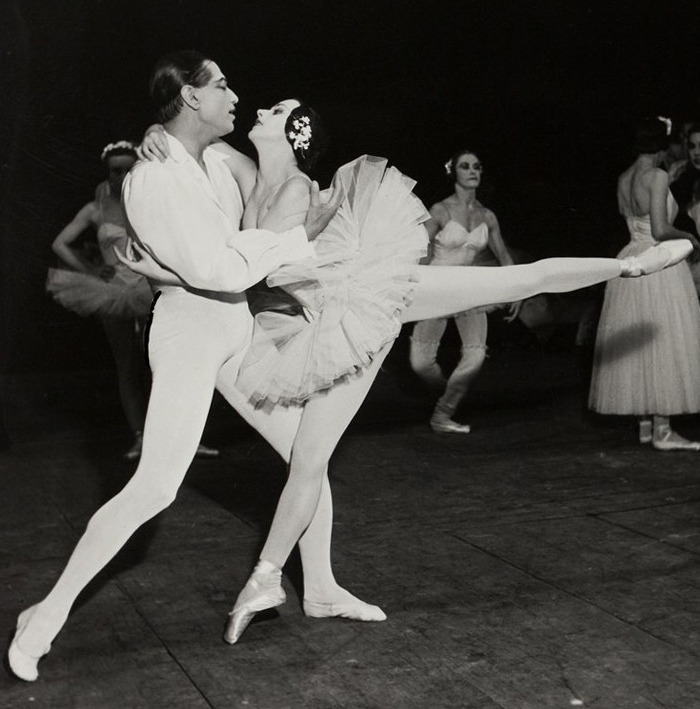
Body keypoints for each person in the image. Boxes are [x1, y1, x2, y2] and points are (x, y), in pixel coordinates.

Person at [129, 99, 693, 647]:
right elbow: (195, 141)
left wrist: (163, 263)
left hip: (364, 299)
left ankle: (630, 265)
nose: (257, 112)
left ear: (294, 134)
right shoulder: (250, 171)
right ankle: (289, 582)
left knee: (520, 280)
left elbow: (248, 267)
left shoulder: (293, 187)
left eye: (274, 113)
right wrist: (155, 135)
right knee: (309, 460)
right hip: (330, 316)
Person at [7, 50, 344, 683]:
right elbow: (215, 270)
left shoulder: (211, 157)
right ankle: (45, 618)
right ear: (191, 97)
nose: (235, 95)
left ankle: (321, 588)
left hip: (235, 326)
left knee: (309, 457)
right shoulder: (152, 178)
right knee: (156, 487)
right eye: (221, 85)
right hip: (191, 331)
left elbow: (278, 172)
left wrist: (157, 134)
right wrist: (293, 240)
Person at [589, 116, 700, 450]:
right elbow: (660, 230)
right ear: (663, 145)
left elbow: (639, 220)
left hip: (631, 257)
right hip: (656, 257)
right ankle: (663, 428)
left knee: (642, 340)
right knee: (664, 338)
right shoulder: (657, 175)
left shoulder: (625, 177)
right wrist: (691, 238)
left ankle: (646, 425)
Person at [46, 141, 153, 459]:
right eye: (114, 171)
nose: (120, 176)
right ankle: (140, 437)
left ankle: (172, 437)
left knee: (159, 365)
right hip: (113, 291)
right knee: (127, 367)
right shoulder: (96, 207)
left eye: (127, 169)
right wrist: (93, 268)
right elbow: (60, 244)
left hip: (148, 287)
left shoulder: (147, 198)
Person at [409, 149, 521, 434]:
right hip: (436, 287)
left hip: (469, 288)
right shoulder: (440, 210)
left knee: (475, 356)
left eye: (477, 167)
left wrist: (518, 290)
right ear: (453, 172)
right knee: (421, 363)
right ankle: (444, 396)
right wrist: (413, 288)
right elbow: (419, 252)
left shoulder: (487, 216)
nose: (473, 171)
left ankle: (443, 414)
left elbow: (505, 258)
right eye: (465, 166)